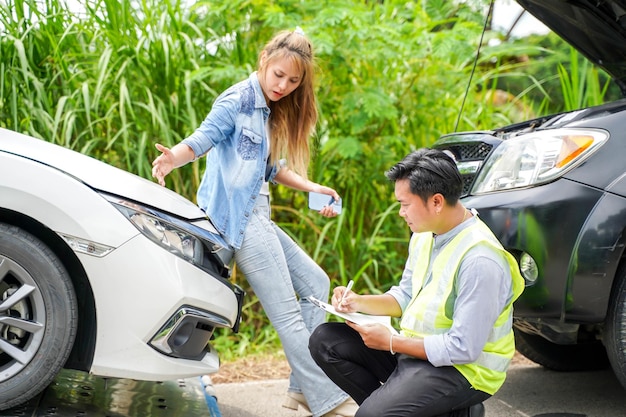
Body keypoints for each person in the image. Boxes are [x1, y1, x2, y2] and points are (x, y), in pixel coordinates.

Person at [151, 28, 357, 417]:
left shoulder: (269, 109)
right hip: (241, 221)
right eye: (279, 75)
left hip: (257, 215)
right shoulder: (238, 99)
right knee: (288, 315)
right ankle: (326, 401)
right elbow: (202, 139)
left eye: (293, 81)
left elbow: (271, 169)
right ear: (265, 61)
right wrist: (171, 158)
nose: (283, 85)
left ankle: (302, 389)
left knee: (317, 283)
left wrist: (316, 187)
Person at [309, 148, 525, 417]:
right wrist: (357, 302)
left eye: (405, 204)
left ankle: (444, 407)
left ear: (436, 202)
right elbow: (405, 295)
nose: (401, 212)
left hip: (465, 371)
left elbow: (463, 349)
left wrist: (390, 342)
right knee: (325, 340)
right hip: (417, 351)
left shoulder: (480, 260)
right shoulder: (425, 234)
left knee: (372, 415)